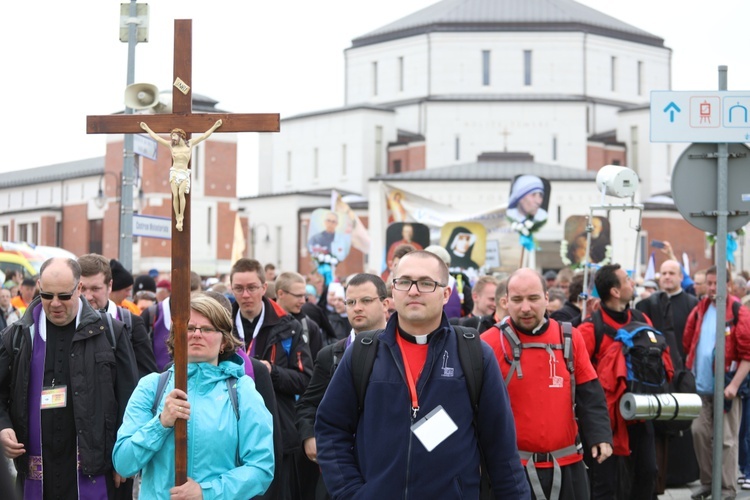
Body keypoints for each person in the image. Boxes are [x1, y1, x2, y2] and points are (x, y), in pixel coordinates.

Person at [315, 251, 530, 498]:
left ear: (446, 293)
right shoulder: (363, 352)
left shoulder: (474, 354)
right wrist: (351, 493)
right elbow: (331, 428)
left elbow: (501, 447)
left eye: (426, 283)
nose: (414, 291)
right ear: (393, 291)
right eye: (404, 282)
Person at [0, 257, 138, 499]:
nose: (54, 304)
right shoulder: (18, 336)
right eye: (47, 295)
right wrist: (3, 427)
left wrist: (123, 459)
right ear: (39, 287)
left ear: (79, 289)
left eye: (64, 296)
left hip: (94, 472)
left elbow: (129, 400)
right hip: (36, 476)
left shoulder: (110, 333)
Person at [113, 294, 274, 499]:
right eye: (189, 328)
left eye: (207, 329)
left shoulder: (242, 391)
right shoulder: (152, 387)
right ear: (175, 336)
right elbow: (124, 463)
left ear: (224, 340)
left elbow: (261, 468)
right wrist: (161, 424)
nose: (196, 334)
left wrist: (206, 492)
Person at [481, 268, 612, 499]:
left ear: (547, 299)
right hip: (510, 469)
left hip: (567, 463)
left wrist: (600, 435)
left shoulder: (569, 337)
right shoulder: (488, 343)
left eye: (533, 298)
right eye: (517, 300)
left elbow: (589, 393)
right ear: (505, 301)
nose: (525, 308)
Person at [578, 263, 673, 499]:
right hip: (606, 420)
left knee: (647, 474)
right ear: (615, 291)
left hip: (641, 414)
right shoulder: (591, 328)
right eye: (627, 280)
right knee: (606, 483)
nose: (633, 284)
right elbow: (578, 374)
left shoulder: (642, 319)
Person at [297, 273, 389, 500]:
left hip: (387, 464)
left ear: (385, 304)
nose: (357, 308)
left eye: (366, 301)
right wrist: (309, 437)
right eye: (351, 302)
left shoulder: (401, 350)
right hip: (340, 467)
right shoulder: (331, 354)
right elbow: (308, 404)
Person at [230, 258, 313, 500]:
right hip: (231, 428)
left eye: (252, 288)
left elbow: (305, 379)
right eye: (238, 288)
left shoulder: (289, 326)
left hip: (277, 426)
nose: (245, 295)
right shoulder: (221, 324)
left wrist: (269, 371)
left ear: (265, 288)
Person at [683, 266, 750, 499]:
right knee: (699, 433)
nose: (712, 288)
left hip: (727, 389)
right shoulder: (700, 308)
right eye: (709, 283)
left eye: (717, 283)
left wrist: (733, 385)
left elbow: (748, 354)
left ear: (728, 285)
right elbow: (688, 341)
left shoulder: (738, 311)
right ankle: (708, 482)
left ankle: (727, 488)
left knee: (726, 440)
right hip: (701, 388)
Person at [635, 258, 700, 492]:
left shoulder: (692, 303)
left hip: (682, 373)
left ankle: (682, 473)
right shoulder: (649, 304)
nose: (667, 277)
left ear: (681, 276)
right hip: (657, 373)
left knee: (681, 424)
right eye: (663, 273)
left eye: (672, 272)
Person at [78, 253, 157, 379]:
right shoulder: (67, 322)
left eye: (95, 289)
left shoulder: (132, 324)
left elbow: (148, 379)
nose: (88, 296)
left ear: (109, 286)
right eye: (82, 289)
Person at [140, 119, 223, 231]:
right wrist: (147, 129)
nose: (172, 138)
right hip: (174, 172)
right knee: (175, 195)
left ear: (180, 136)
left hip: (183, 173)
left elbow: (203, 136)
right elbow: (157, 138)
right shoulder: (171, 146)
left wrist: (214, 127)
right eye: (171, 136)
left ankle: (181, 217)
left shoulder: (190, 144)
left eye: (174, 136)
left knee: (181, 193)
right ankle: (177, 216)